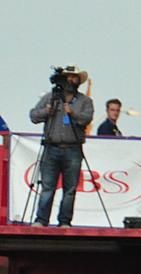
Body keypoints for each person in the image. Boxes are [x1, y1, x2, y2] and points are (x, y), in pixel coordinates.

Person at [28, 65, 94, 228]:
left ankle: (65, 221)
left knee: (70, 189)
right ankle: (41, 220)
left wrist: (72, 113)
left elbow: (86, 119)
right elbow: (33, 115)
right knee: (47, 187)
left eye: (75, 77)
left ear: (79, 81)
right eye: (69, 77)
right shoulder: (51, 97)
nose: (71, 80)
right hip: (51, 147)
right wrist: (47, 111)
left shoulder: (85, 101)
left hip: (73, 149)